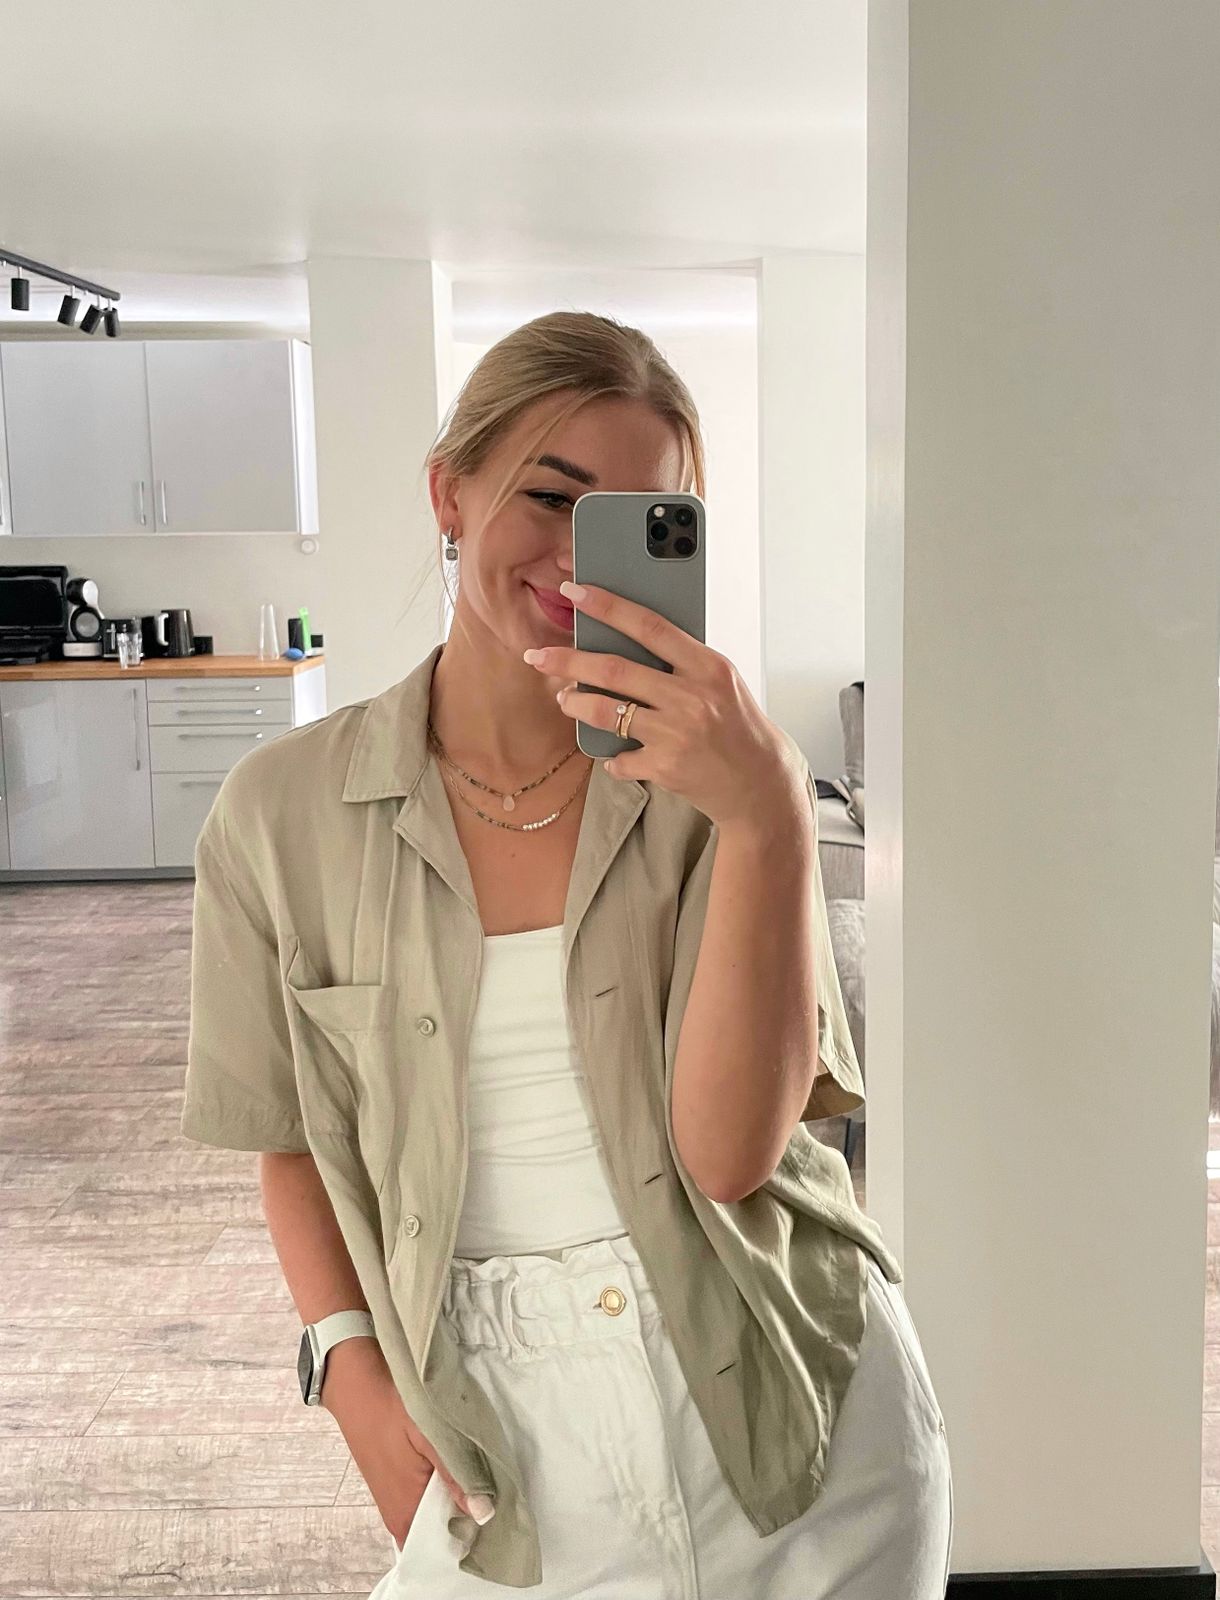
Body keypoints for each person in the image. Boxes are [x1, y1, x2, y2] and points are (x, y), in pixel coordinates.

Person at [182, 310, 953, 1597]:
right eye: (550, 497)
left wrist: (766, 814)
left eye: (639, 522)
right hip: (499, 1446)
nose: (577, 559)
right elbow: (288, 1138)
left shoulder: (725, 788)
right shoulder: (280, 813)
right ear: (449, 492)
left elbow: (728, 1155)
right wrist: (352, 1378)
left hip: (791, 1408)